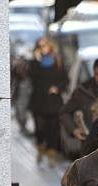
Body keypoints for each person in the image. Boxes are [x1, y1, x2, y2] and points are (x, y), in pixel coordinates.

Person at [59, 57, 98, 157]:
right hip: (89, 149)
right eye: (97, 74)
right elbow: (64, 112)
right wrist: (74, 130)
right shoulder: (83, 91)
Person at [28, 36, 68, 167]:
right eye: (40, 46)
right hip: (38, 101)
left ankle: (51, 155)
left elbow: (65, 79)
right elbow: (30, 76)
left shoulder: (57, 61)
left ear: (50, 46)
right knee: (40, 128)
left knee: (53, 128)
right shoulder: (35, 62)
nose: (42, 48)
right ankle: (40, 148)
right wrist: (36, 60)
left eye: (44, 45)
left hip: (53, 101)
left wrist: (57, 88)